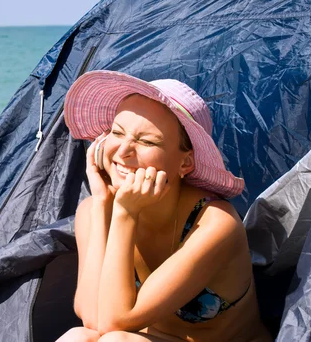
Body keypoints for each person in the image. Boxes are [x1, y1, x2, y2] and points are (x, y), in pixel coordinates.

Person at [57, 71, 272, 342]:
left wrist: (125, 213)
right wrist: (102, 204)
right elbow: (91, 318)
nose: (123, 151)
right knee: (77, 337)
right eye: (117, 132)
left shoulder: (214, 223)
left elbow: (113, 325)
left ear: (185, 163)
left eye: (147, 141)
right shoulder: (93, 211)